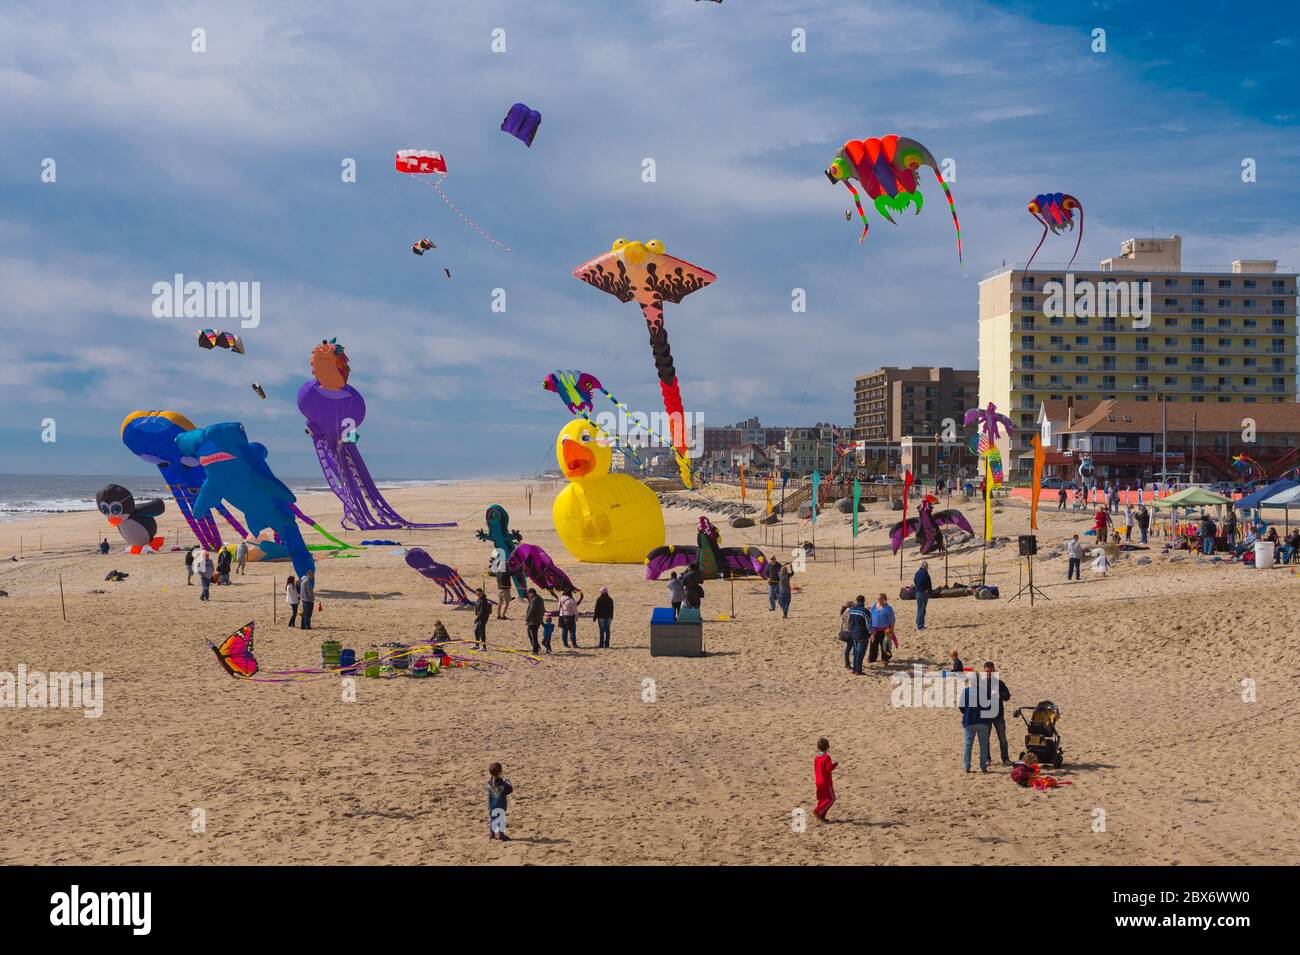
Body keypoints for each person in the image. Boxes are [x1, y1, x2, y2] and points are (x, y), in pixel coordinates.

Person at [959, 674, 992, 773]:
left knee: (968, 745)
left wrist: (967, 712)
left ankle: (967, 766)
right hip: (983, 721)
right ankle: (983, 766)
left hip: (969, 721)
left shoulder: (966, 691)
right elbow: (989, 706)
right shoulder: (985, 692)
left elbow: (961, 707)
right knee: (983, 745)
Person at [984, 661, 1013, 765]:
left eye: (990, 671)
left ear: (994, 671)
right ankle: (987, 759)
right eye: (987, 672)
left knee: (1002, 738)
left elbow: (1007, 696)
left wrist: (1000, 695)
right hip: (986, 716)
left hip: (998, 715)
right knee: (985, 739)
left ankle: (1005, 758)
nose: (988, 674)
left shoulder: (1000, 683)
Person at [487, 762, 513, 842]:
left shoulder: (488, 782)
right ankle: (501, 835)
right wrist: (508, 782)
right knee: (500, 819)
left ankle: (492, 833)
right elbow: (509, 790)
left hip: (491, 804)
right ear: (500, 772)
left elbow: (490, 790)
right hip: (500, 805)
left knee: (493, 819)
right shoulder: (502, 783)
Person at [813, 738, 837, 823]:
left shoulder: (816, 758)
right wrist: (834, 765)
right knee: (831, 798)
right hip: (826, 782)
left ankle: (821, 817)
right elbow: (828, 769)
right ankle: (818, 810)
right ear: (827, 747)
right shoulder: (826, 757)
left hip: (818, 782)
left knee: (822, 800)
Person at [846, 595, 871, 674]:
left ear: (857, 601)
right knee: (860, 653)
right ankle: (858, 670)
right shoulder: (865, 611)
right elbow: (869, 624)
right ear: (864, 601)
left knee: (856, 652)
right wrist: (871, 633)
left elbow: (849, 622)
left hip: (854, 634)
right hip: (862, 635)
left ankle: (854, 669)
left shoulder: (852, 610)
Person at [868, 593, 895, 664]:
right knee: (873, 645)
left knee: (885, 645)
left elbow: (892, 620)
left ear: (884, 599)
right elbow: (870, 617)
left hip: (885, 630)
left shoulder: (888, 608)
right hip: (874, 630)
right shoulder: (873, 606)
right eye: (878, 598)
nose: (879, 600)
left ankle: (885, 659)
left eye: (881, 598)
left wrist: (891, 630)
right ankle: (872, 658)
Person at [524, 588, 546, 654]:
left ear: (531, 593)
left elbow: (531, 611)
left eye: (529, 594)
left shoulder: (534, 600)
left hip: (534, 620)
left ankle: (535, 650)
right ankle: (537, 646)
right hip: (538, 619)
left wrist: (527, 619)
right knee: (531, 633)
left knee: (533, 634)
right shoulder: (539, 598)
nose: (528, 596)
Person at [913, 560, 933, 630]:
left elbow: (915, 581)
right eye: (927, 565)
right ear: (924, 566)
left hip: (919, 592)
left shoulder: (918, 572)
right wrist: (925, 589)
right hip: (922, 593)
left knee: (920, 609)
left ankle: (919, 624)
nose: (927, 567)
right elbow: (920, 582)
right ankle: (920, 626)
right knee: (921, 609)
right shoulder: (923, 573)